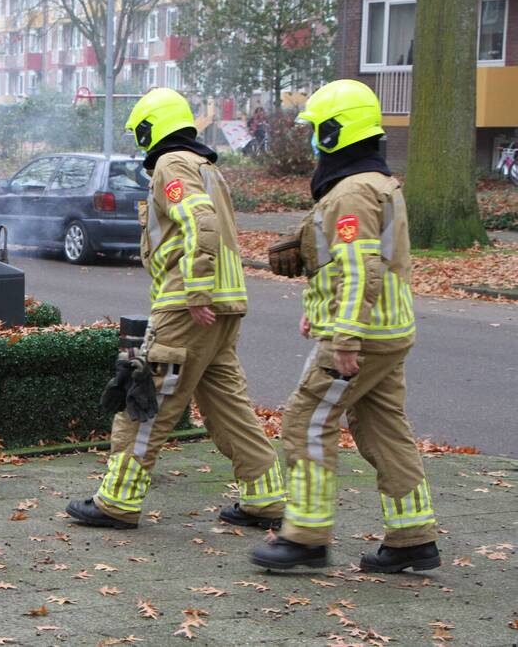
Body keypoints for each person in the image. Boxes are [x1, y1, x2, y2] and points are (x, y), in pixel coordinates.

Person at [66, 88, 286, 530]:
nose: (140, 144)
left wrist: (197, 291)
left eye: (141, 133)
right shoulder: (207, 169)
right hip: (222, 311)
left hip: (188, 309)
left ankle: (118, 500)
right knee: (230, 408)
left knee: (147, 399)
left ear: (153, 128)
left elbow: (198, 223)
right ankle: (266, 498)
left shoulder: (172, 164)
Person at [251, 80, 439, 573]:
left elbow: (360, 270)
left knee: (306, 421)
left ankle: (307, 537)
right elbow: (351, 266)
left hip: (364, 335)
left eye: (316, 130)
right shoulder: (378, 183)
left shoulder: (353, 192)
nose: (313, 139)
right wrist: (319, 306)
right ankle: (412, 537)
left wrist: (345, 337)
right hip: (389, 329)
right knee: (384, 429)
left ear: (336, 133)